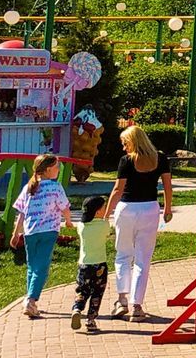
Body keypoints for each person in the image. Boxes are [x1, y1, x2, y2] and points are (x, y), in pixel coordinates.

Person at [104, 125, 174, 321]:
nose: (123, 147)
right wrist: (168, 208)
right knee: (143, 259)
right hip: (150, 209)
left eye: (125, 143)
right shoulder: (160, 158)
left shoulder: (127, 161)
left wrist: (106, 214)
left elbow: (118, 190)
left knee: (123, 255)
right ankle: (137, 305)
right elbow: (168, 185)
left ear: (133, 141)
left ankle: (121, 300)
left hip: (127, 209)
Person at [11, 153, 72, 320]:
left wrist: (16, 233)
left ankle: (30, 300)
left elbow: (22, 213)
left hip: (30, 232)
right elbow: (65, 207)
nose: (59, 170)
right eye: (56, 167)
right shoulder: (55, 187)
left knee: (32, 266)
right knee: (42, 267)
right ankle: (30, 300)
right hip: (48, 231)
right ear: (47, 170)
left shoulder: (29, 187)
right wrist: (68, 221)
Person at [70, 195, 111, 333]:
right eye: (104, 207)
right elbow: (107, 233)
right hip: (100, 264)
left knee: (82, 289)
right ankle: (91, 319)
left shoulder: (81, 226)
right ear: (98, 211)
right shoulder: (104, 225)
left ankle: (77, 308)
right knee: (97, 292)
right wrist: (106, 220)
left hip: (84, 265)